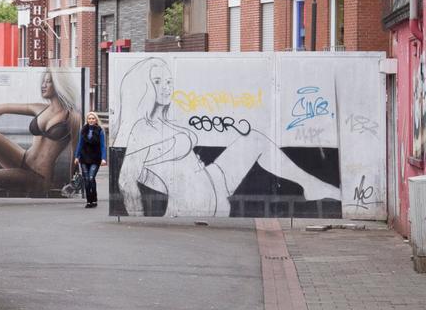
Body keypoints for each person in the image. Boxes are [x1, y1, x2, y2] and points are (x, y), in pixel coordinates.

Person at [113, 58, 340, 217]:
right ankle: (313, 185)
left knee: (254, 140)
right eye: (157, 82)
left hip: (212, 183)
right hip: (191, 201)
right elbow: (126, 180)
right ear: (144, 86)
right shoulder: (141, 129)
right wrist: (137, 219)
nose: (166, 87)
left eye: (169, 81)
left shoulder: (166, 122)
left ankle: (313, 185)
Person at [0, 69, 81, 195]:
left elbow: (75, 152)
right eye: (43, 81)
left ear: (58, 85)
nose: (43, 85)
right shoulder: (40, 108)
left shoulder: (72, 117)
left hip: (38, 176)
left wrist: (73, 183)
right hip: (22, 159)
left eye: (48, 82)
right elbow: (3, 108)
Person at [74, 112, 107, 208]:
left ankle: (94, 199)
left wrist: (104, 158)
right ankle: (89, 201)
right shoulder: (83, 130)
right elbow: (80, 144)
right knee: (86, 179)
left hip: (95, 158)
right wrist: (76, 156)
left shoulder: (100, 131)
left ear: (96, 120)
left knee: (91, 178)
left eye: (93, 118)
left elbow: (103, 146)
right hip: (84, 158)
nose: (91, 120)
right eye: (89, 118)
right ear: (87, 120)